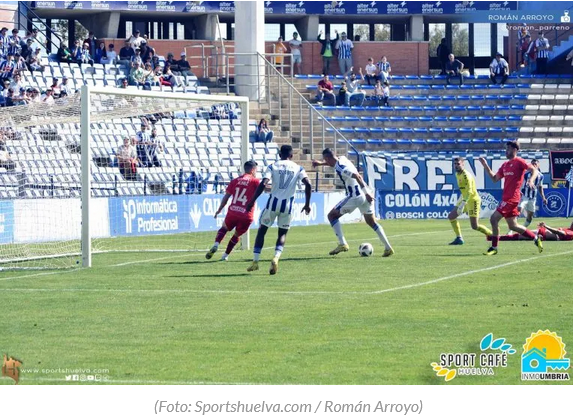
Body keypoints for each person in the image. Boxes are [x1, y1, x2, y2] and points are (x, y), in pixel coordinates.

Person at [312, 148, 394, 257]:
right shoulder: (342, 159)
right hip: (365, 195)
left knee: (332, 216)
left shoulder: (341, 167)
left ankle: (342, 244)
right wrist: (320, 164)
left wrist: (366, 193)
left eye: (325, 159)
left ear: (327, 157)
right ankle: (388, 248)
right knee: (372, 222)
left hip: (356, 196)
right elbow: (332, 163)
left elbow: (357, 176)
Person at [245, 145, 312, 274]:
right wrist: (307, 204)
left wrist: (252, 200)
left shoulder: (273, 166)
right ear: (291, 156)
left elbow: (263, 183)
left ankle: (255, 261)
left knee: (262, 230)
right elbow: (308, 184)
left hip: (272, 204)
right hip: (287, 206)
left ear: (280, 154)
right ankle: (276, 257)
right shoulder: (298, 168)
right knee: (282, 234)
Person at [479, 141, 543, 255]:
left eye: (508, 149)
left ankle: (494, 247)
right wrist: (485, 166)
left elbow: (534, 171)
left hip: (512, 199)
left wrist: (531, 180)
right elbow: (494, 179)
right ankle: (535, 238)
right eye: (506, 149)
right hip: (506, 198)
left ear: (515, 150)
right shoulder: (505, 165)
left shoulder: (519, 162)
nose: (506, 151)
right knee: (513, 226)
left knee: (493, 219)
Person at [206, 161, 261, 262]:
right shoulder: (255, 181)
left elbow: (226, 197)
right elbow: (265, 188)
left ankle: (216, 244)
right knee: (236, 235)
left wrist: (219, 210)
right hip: (247, 215)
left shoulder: (235, 181)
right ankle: (225, 256)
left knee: (224, 228)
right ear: (253, 170)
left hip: (233, 211)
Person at [447, 157, 493, 245]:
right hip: (464, 198)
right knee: (451, 216)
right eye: (455, 164)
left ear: (463, 165)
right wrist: (461, 201)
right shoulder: (457, 174)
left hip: (473, 200)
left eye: (458, 164)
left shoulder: (466, 175)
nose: (456, 166)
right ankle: (459, 238)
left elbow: (470, 191)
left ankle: (493, 235)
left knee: (474, 226)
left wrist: (463, 204)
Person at [517, 159, 547, 229]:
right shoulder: (526, 174)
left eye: (535, 164)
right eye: (532, 164)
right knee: (519, 209)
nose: (533, 165)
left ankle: (522, 229)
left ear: (538, 165)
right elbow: (519, 183)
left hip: (533, 198)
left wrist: (543, 198)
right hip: (524, 196)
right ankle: (511, 229)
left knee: (530, 217)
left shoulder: (541, 176)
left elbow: (540, 187)